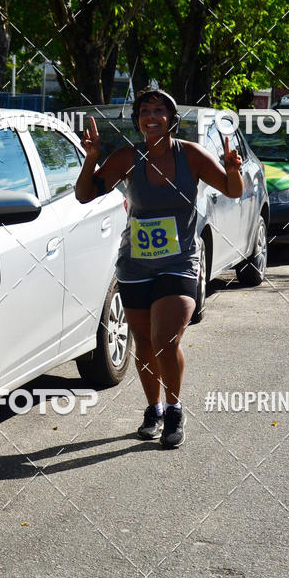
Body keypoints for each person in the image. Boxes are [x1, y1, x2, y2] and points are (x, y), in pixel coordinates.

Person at [75, 87, 244, 448]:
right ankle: (153, 410)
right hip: (135, 265)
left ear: (171, 119)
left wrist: (233, 171)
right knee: (145, 343)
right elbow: (85, 194)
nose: (150, 117)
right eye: (144, 111)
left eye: (158, 110)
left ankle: (174, 409)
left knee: (166, 340)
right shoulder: (128, 157)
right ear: (138, 120)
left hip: (180, 262)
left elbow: (232, 190)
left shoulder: (191, 155)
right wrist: (91, 159)